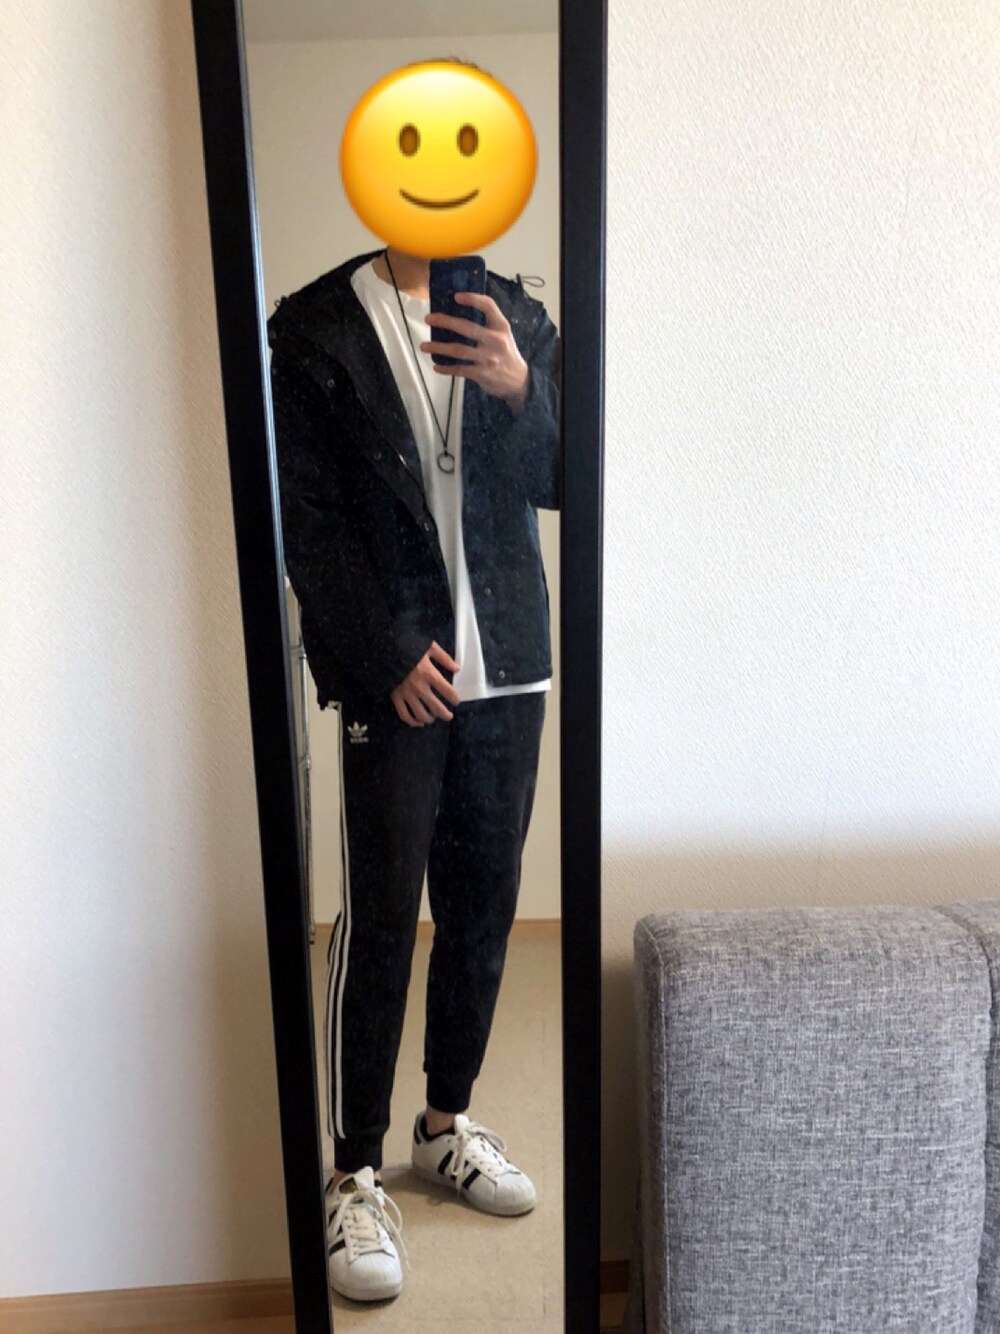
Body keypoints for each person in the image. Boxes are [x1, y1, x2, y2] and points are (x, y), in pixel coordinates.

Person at [266, 242, 560, 1302]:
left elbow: (566, 478)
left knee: (483, 908)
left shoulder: (517, 315)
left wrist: (520, 387)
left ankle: (444, 1124)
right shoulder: (314, 329)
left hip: (507, 667)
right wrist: (383, 650)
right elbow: (306, 521)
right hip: (395, 676)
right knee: (383, 913)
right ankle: (353, 1170)